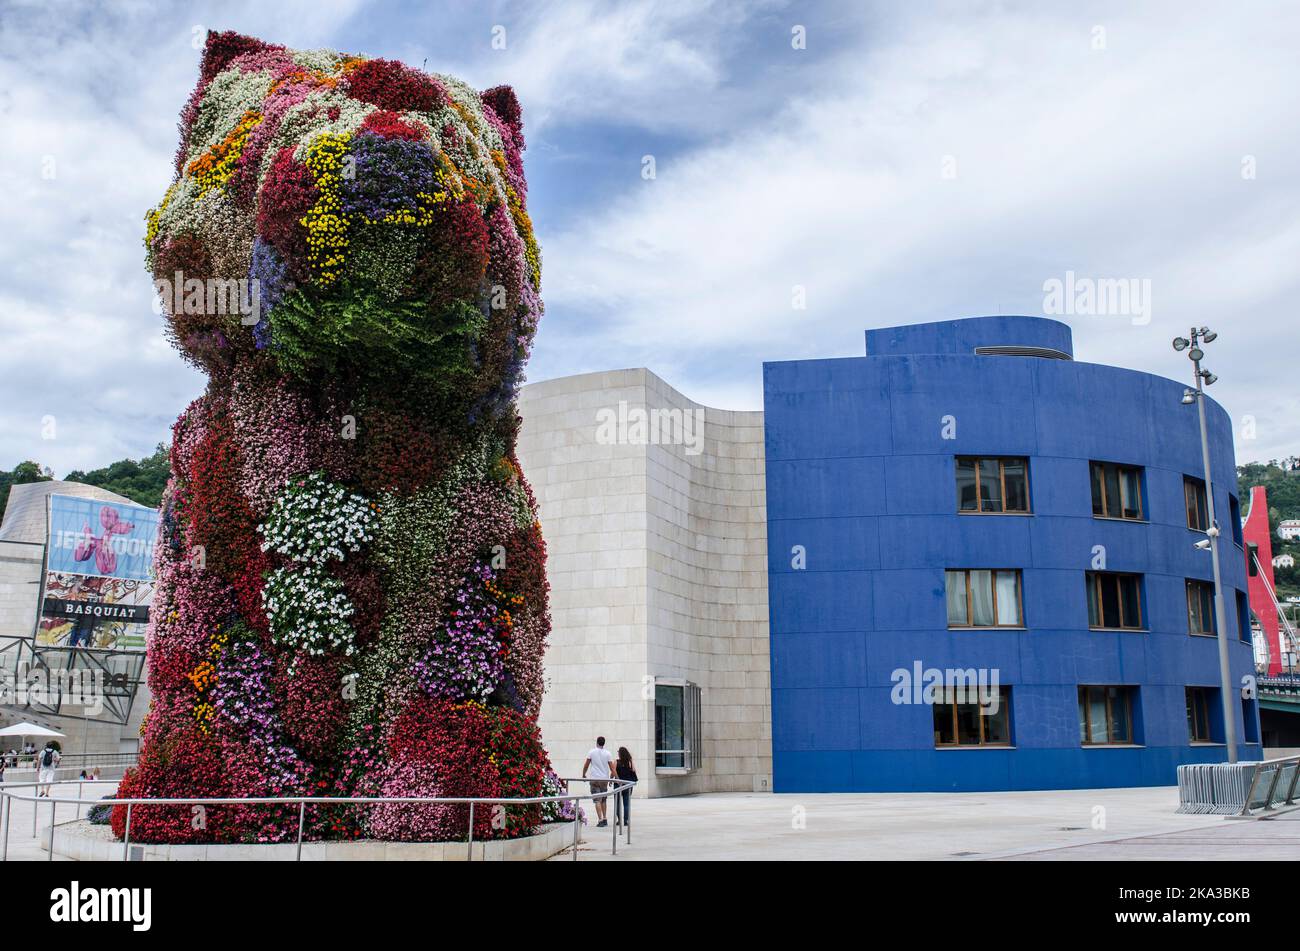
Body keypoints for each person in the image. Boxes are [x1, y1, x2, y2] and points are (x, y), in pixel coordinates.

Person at [581, 736, 616, 827]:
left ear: (597, 742)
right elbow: (612, 768)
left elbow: (586, 765)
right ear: (604, 743)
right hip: (604, 779)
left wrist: (584, 774)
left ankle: (600, 820)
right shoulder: (608, 753)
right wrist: (615, 778)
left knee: (597, 800)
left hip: (594, 779)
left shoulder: (591, 752)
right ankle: (605, 818)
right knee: (603, 800)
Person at [615, 747, 638, 827]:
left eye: (618, 752)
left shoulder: (617, 762)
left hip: (618, 785)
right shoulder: (629, 762)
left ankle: (619, 820)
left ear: (620, 753)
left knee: (617, 804)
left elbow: (613, 772)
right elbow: (634, 770)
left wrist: (615, 780)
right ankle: (626, 821)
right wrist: (631, 761)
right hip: (628, 785)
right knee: (626, 804)